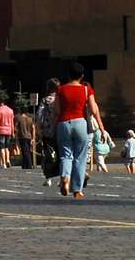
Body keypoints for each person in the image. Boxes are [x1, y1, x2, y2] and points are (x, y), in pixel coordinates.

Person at [54, 63, 100, 199]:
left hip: (63, 123)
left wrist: (52, 126)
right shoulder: (86, 90)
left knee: (66, 155)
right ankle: (77, 190)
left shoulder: (61, 89)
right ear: (82, 76)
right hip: (80, 123)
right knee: (80, 157)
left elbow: (56, 111)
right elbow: (93, 109)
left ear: (68, 75)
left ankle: (65, 176)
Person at [0, 97, 16, 168]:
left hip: (1, 130)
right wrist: (12, 132)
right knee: (6, 147)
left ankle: (3, 164)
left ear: (0, 103)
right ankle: (8, 160)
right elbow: (12, 122)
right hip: (9, 131)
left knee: (2, 148)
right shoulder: (11, 110)